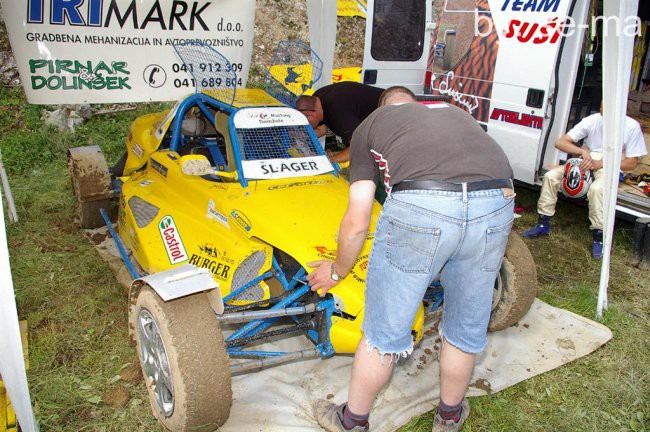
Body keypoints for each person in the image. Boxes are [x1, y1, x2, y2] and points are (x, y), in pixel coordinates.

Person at [307, 87, 515, 432]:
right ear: (415, 104)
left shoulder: (371, 125)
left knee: (384, 331)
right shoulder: (454, 112)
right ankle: (448, 417)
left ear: (381, 107)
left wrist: (338, 269)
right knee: (464, 327)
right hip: (497, 200)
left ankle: (352, 420)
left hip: (424, 202)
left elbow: (358, 218)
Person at [523, 103, 647, 259]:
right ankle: (543, 223)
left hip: (610, 166)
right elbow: (560, 142)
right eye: (601, 109)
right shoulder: (593, 119)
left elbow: (631, 163)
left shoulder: (631, 126)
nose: (603, 113)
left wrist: (601, 163)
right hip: (585, 161)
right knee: (550, 176)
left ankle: (599, 236)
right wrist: (581, 151)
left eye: (607, 111)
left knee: (597, 189)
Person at [295, 82, 384, 164]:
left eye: (304, 124)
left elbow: (358, 148)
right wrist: (299, 136)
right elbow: (322, 129)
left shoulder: (338, 114)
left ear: (310, 115)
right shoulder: (317, 98)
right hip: (379, 106)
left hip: (391, 117)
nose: (305, 127)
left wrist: (330, 161)